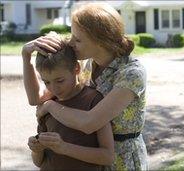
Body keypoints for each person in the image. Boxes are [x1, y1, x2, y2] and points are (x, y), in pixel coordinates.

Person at [22, 3, 148, 170]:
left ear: (101, 41)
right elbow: (35, 98)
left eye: (78, 39)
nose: (71, 42)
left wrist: (51, 106)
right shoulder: (88, 65)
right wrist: (26, 56)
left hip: (121, 160)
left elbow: (90, 123)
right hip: (88, 156)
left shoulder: (131, 73)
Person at [25, 39, 114, 170]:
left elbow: (107, 156)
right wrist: (37, 149)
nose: (54, 88)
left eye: (60, 81)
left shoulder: (94, 100)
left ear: (76, 68)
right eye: (46, 82)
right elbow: (38, 162)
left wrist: (64, 148)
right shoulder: (47, 103)